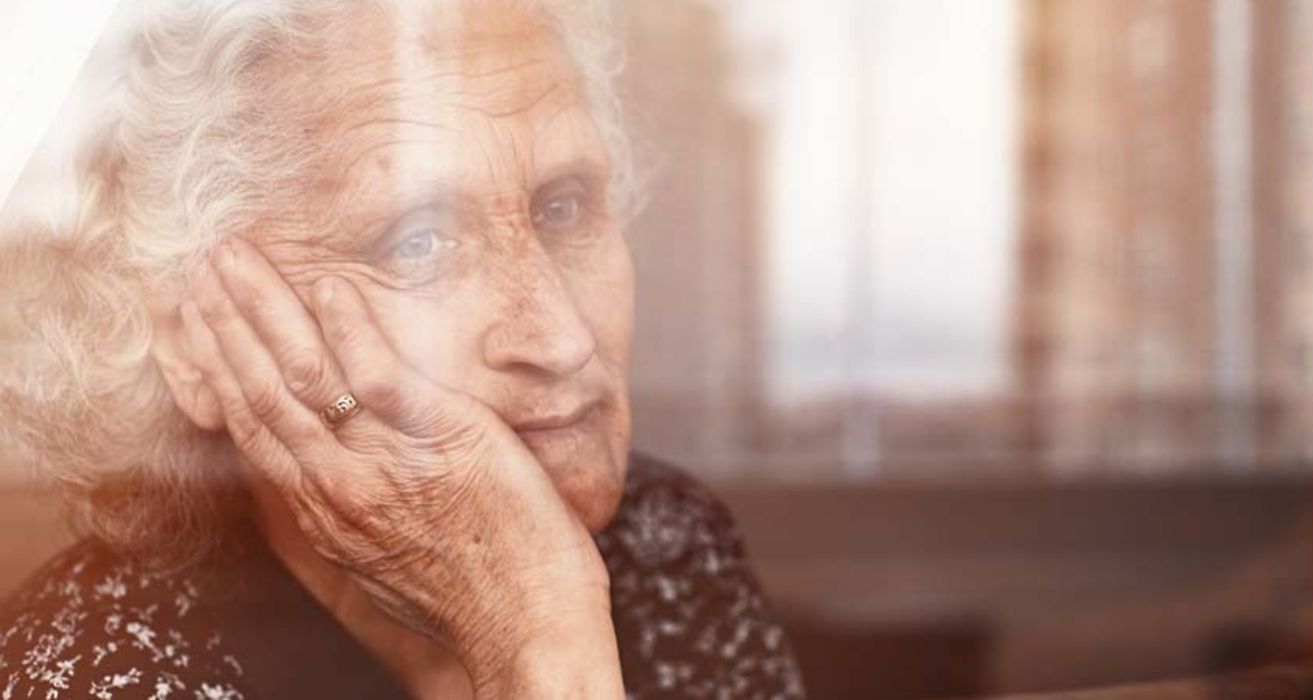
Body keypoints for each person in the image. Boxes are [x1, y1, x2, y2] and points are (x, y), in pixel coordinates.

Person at [0, 0, 806, 697]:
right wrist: (536, 641)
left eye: (563, 206)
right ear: (193, 340)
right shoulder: (92, 677)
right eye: (417, 241)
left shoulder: (671, 550)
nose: (560, 337)